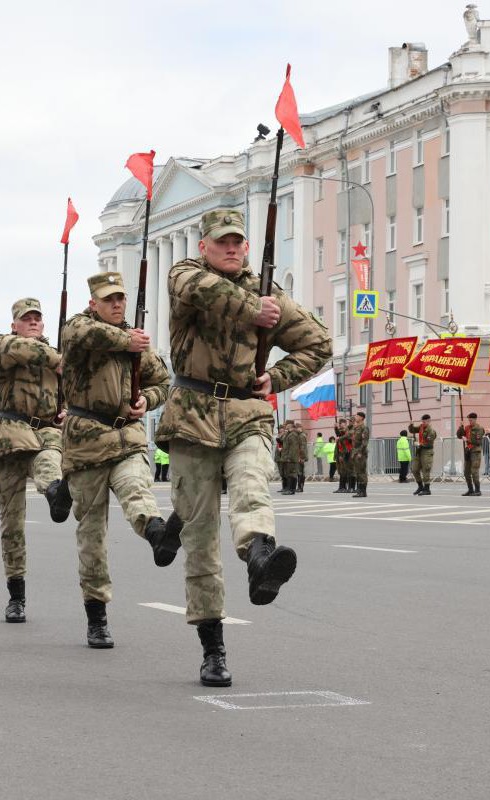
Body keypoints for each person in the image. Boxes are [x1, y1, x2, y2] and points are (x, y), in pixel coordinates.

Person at [156, 207, 331, 687]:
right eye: (222, 241)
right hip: (191, 414)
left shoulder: (269, 294)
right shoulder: (186, 274)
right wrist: (252, 309)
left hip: (247, 414)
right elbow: (196, 290)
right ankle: (212, 645)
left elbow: (319, 344)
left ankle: (259, 555)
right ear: (205, 246)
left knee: (253, 483)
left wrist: (276, 376)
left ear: (247, 247)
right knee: (199, 540)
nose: (231, 248)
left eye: (238, 241)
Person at [61, 271, 180, 649]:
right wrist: (126, 340)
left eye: (121, 299)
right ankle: (96, 615)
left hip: (126, 437)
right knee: (92, 536)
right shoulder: (81, 329)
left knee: (137, 490)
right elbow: (77, 335)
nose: (116, 304)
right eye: (108, 299)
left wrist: (149, 400)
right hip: (86, 444)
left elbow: (163, 382)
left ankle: (157, 533)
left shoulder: (139, 341)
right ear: (94, 302)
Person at [0, 297, 70, 622]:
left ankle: (55, 493)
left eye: (38, 318)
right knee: (12, 523)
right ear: (15, 324)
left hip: (46, 431)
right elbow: (20, 351)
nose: (34, 322)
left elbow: (69, 393)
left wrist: (66, 409)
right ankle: (16, 595)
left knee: (50, 457)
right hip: (10, 434)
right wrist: (58, 359)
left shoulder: (56, 359)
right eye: (27, 318)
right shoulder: (3, 345)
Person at [456, 413, 484, 496]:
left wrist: (467, 440)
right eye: (469, 420)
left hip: (475, 451)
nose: (470, 421)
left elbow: (478, 442)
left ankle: (477, 490)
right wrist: (461, 427)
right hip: (468, 451)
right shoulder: (467, 427)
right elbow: (459, 435)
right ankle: (470, 489)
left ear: (475, 419)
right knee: (466, 472)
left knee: (474, 471)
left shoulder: (479, 428)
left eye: (471, 420)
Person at [409, 414, 436, 495]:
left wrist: (420, 444)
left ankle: (427, 489)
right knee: (414, 469)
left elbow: (429, 443)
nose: (423, 423)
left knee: (426, 470)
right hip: (420, 451)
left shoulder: (431, 431)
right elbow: (412, 430)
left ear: (428, 421)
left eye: (424, 421)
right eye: (422, 421)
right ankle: (420, 486)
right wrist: (411, 424)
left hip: (427, 452)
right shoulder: (421, 427)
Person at [350, 411, 369, 497]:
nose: (355, 417)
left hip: (360, 453)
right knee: (357, 472)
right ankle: (359, 490)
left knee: (361, 472)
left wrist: (360, 452)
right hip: (355, 453)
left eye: (357, 416)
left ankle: (363, 491)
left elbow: (364, 442)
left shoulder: (364, 428)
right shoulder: (356, 428)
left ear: (361, 418)